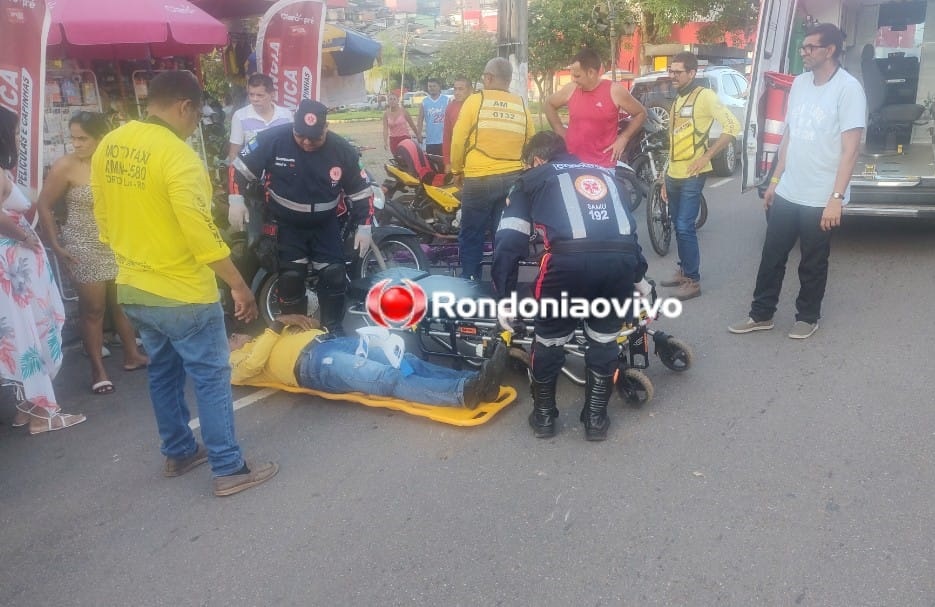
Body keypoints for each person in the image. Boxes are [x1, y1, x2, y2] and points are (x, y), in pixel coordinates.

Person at [91, 71, 277, 497]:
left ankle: (178, 452)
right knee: (211, 378)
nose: (196, 124)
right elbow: (200, 234)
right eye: (197, 115)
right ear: (184, 106)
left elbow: (102, 219)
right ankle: (229, 468)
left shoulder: (110, 145)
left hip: (133, 288)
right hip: (183, 294)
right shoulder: (179, 157)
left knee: (163, 371)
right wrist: (239, 285)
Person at [492, 132, 649, 441]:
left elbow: (509, 241)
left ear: (537, 160)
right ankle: (596, 420)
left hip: (566, 268)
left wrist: (505, 297)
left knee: (549, 340)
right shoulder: (607, 175)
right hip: (619, 264)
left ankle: (544, 417)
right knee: (604, 340)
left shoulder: (531, 180)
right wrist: (639, 278)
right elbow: (626, 234)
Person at [729, 23, 864, 339]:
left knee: (813, 262)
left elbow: (851, 150)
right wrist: (775, 181)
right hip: (790, 190)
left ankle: (807, 316)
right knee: (772, 255)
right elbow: (789, 135)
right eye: (803, 47)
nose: (803, 52)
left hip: (820, 195)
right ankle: (761, 314)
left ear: (829, 50)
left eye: (809, 47)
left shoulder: (848, 89)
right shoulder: (800, 83)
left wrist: (836, 198)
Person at [230, 99, 374, 335]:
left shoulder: (342, 150)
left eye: (314, 138)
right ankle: (294, 333)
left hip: (325, 224)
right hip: (286, 223)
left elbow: (361, 191)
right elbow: (239, 168)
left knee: (334, 275)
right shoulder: (273, 139)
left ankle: (332, 331)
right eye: (300, 135)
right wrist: (236, 198)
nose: (306, 142)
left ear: (326, 128)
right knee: (291, 277)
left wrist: (364, 225)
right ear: (294, 125)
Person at [37, 111, 149, 395]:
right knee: (94, 309)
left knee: (122, 302)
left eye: (82, 138)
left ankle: (132, 355)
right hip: (82, 243)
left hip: (116, 242)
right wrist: (56, 245)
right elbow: (44, 205)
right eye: (73, 138)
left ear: (101, 138)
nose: (76, 144)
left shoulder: (114, 162)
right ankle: (98, 370)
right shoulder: (66, 166)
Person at [0, 106, 86, 435]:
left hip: (14, 265)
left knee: (23, 330)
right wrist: (23, 236)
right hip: (15, 265)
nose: (18, 136)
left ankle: (28, 406)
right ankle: (43, 414)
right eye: (14, 131)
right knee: (30, 331)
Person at [230, 314, 507, 409]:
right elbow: (251, 366)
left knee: (405, 361)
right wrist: (277, 326)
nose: (236, 335)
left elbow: (309, 326)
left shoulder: (265, 337)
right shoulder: (232, 362)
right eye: (230, 337)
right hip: (313, 364)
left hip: (329, 343)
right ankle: (461, 393)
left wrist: (304, 322)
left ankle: (475, 382)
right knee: (386, 377)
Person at [659, 51, 742, 301]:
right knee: (678, 225)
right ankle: (684, 270)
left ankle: (693, 281)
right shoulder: (677, 100)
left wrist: (707, 156)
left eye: (678, 72)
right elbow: (673, 142)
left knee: (685, 226)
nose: (673, 76)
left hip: (693, 175)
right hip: (673, 174)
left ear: (692, 73)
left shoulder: (705, 96)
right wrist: (663, 177)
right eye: (671, 71)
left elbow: (733, 127)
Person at [451, 58, 536, 281]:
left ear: (488, 78)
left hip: (478, 179)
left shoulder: (475, 101)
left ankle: (471, 282)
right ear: (508, 80)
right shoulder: (520, 105)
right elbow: (531, 142)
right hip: (512, 180)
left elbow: (458, 140)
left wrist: (456, 170)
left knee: (472, 234)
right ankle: (504, 285)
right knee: (504, 235)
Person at [544, 47, 647, 168]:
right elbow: (549, 104)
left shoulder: (615, 91)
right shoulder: (571, 89)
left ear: (591, 73)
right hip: (571, 162)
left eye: (577, 76)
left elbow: (641, 113)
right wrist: (559, 130)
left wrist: (624, 138)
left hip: (603, 165)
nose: (573, 80)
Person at [227, 74, 294, 244]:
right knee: (256, 232)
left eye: (260, 95)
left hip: (281, 181)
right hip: (254, 184)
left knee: (285, 228)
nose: (255, 99)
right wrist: (236, 191)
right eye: (251, 94)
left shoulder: (286, 116)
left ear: (272, 95)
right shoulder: (240, 116)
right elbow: (234, 153)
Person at [442, 76, 472, 174]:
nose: (457, 92)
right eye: (455, 89)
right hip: (456, 158)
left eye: (461, 89)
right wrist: (447, 162)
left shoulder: (476, 105)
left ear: (470, 90)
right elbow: (447, 136)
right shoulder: (450, 107)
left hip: (474, 159)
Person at [416, 78, 449, 157]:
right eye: (430, 86)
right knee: (431, 162)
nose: (432, 88)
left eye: (434, 86)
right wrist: (419, 134)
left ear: (439, 87)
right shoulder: (424, 102)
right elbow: (420, 120)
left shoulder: (447, 100)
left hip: (444, 139)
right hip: (430, 140)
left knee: (444, 162)